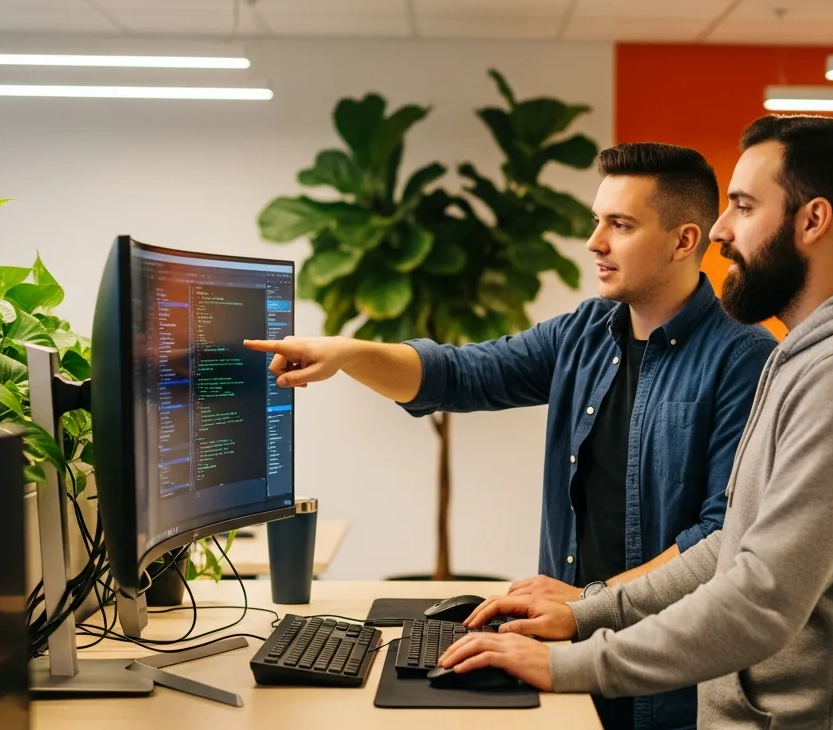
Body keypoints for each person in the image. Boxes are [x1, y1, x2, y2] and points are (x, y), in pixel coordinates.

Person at [441, 114, 833, 730]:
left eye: (743, 207)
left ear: (812, 221)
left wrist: (570, 664)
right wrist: (588, 612)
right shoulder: (807, 358)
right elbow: (729, 545)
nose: (718, 230)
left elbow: (760, 601)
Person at [247, 142, 777, 730]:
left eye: (620, 225)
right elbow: (459, 374)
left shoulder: (744, 357)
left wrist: (592, 601)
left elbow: (721, 535)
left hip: (666, 684)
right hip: (563, 647)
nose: (595, 242)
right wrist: (347, 354)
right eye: (596, 220)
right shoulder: (585, 333)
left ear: (684, 241)